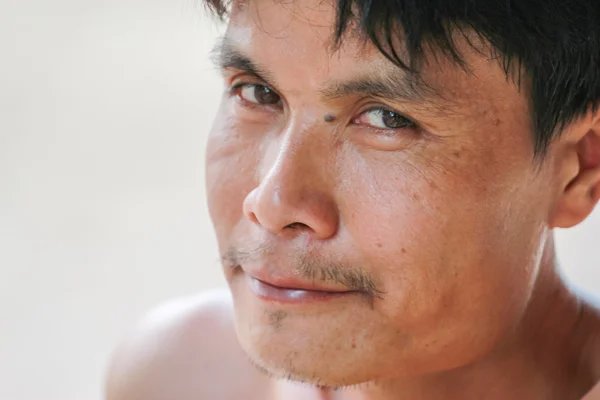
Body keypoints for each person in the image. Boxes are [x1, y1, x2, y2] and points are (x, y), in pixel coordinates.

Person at [104, 0, 600, 398]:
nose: (272, 204)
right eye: (256, 93)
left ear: (581, 171)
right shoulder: (179, 376)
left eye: (387, 119)